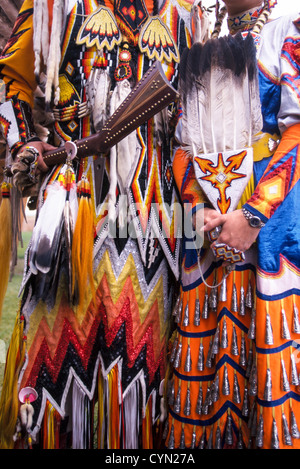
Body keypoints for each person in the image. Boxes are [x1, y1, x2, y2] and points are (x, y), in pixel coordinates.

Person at [0, 0, 210, 449]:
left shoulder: (184, 17)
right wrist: (32, 143)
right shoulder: (60, 7)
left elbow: (198, 121)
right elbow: (11, 80)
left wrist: (201, 203)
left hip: (157, 221)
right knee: (53, 359)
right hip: (76, 210)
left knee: (142, 370)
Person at [165, 0, 300, 449]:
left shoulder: (287, 26)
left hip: (270, 237)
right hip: (206, 243)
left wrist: (253, 215)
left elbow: (297, 132)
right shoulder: (200, 42)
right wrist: (194, 208)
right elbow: (181, 145)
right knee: (204, 381)